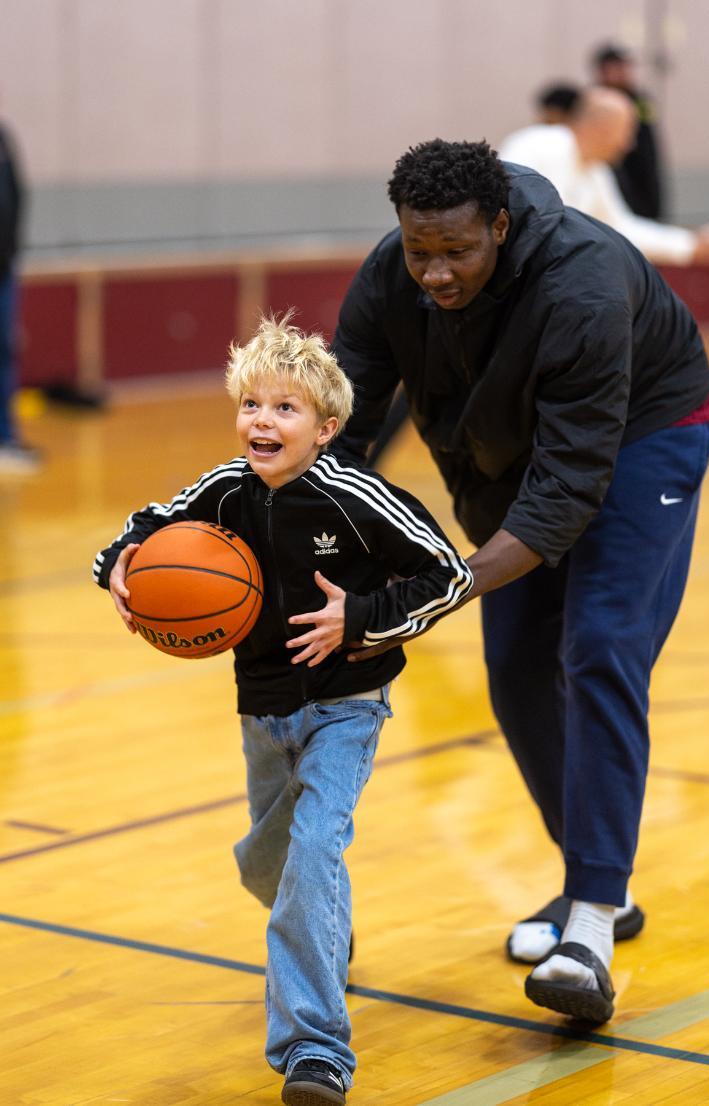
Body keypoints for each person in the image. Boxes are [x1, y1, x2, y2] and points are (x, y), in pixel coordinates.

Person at [329, 138, 709, 1025]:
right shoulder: (392, 273)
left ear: (500, 227)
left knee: (599, 647)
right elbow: (342, 422)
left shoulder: (581, 284)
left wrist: (431, 591)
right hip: (507, 452)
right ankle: (600, 882)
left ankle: (589, 925)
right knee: (512, 671)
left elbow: (564, 495)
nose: (433, 272)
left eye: (455, 252)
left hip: (644, 435)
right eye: (419, 250)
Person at [92, 315, 472, 1104]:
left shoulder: (357, 495)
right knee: (269, 868)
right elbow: (145, 526)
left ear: (325, 429)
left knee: (311, 853)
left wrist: (357, 619)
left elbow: (447, 574)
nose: (262, 421)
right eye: (251, 405)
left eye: (285, 408)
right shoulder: (224, 490)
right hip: (262, 709)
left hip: (346, 705)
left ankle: (316, 1053)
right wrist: (119, 567)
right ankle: (325, 928)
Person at [499, 86, 709, 266]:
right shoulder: (541, 145)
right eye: (627, 131)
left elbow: (619, 228)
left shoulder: (595, 170)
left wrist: (689, 244)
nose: (629, 144)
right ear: (603, 127)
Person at [0, 113, 39, 473]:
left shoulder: (4, 138)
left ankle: (5, 437)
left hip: (5, 270)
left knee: (5, 352)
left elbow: (16, 198)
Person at [592, 41, 663, 218]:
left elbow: (648, 138)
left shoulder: (639, 100)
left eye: (625, 67)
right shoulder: (594, 100)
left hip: (640, 165)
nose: (622, 72)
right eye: (615, 68)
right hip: (610, 166)